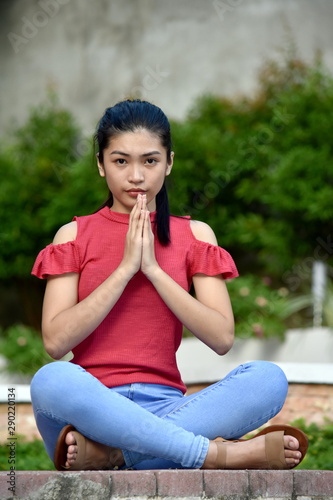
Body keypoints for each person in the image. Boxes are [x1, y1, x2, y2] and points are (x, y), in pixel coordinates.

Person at [30, 99, 307, 471]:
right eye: (120, 161)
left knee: (267, 380)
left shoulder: (194, 235)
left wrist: (154, 271)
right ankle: (214, 455)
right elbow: (55, 342)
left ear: (169, 162)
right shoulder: (74, 234)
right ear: (100, 165)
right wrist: (126, 269)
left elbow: (222, 337)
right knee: (51, 380)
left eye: (150, 160)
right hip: (94, 411)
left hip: (169, 407)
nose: (136, 176)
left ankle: (116, 456)